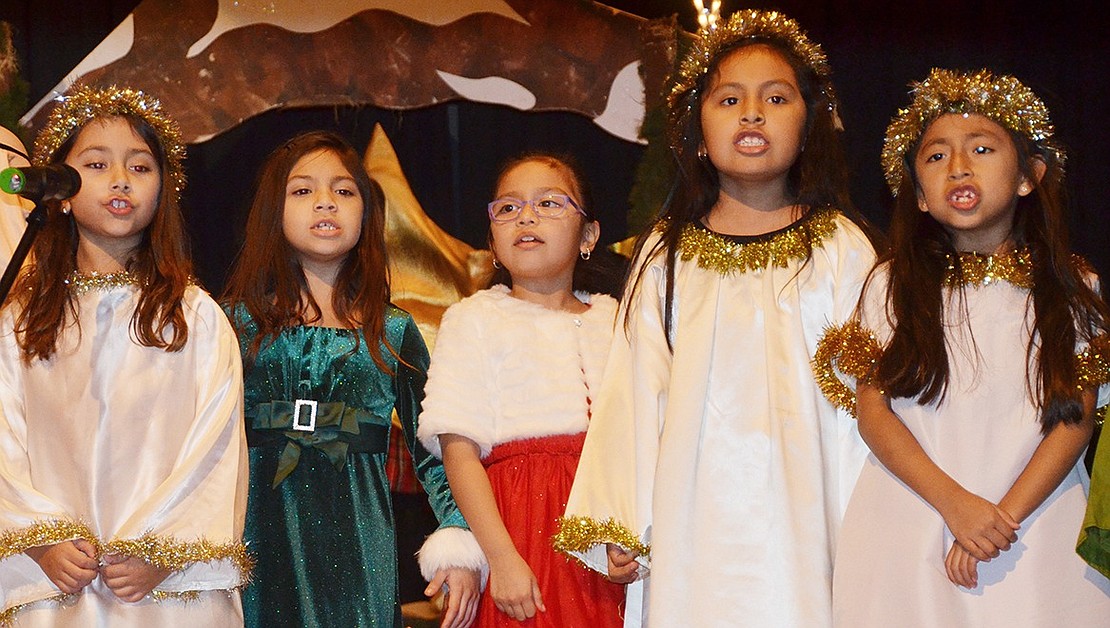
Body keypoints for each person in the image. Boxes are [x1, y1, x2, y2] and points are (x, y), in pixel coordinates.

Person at [553, 10, 878, 627]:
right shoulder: (665, 254)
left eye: (776, 98)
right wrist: (621, 516)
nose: (752, 114)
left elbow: (866, 404)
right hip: (692, 520)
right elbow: (633, 388)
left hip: (811, 516)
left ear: (808, 128)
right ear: (699, 132)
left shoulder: (842, 248)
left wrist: (877, 525)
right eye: (730, 98)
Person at [816, 68, 1110, 626]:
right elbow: (874, 414)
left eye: (982, 148)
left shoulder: (1072, 285)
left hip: (1034, 528)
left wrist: (999, 518)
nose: (958, 166)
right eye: (935, 156)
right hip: (914, 521)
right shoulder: (890, 284)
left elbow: (1075, 417)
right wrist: (956, 505)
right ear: (918, 197)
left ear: (1029, 176)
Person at [0, 85, 249, 625]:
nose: (120, 180)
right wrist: (41, 543)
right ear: (60, 190)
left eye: (140, 167)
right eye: (96, 163)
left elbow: (216, 446)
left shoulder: (196, 317)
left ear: (163, 190)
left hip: (166, 590)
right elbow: (4, 438)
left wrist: (160, 552)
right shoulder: (20, 319)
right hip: (57, 581)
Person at [222, 130, 483, 628]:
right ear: (272, 212)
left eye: (344, 191)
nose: (325, 202)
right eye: (303, 191)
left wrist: (457, 536)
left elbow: (434, 447)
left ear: (367, 214)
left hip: (358, 552)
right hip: (253, 543)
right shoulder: (234, 323)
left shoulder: (394, 331)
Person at [418, 152, 626, 627]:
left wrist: (630, 536)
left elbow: (640, 445)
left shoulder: (619, 322)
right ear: (492, 242)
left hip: (603, 529)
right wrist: (502, 559)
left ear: (589, 235)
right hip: (518, 531)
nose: (527, 216)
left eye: (550, 203)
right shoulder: (474, 319)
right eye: (508, 209)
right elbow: (458, 451)